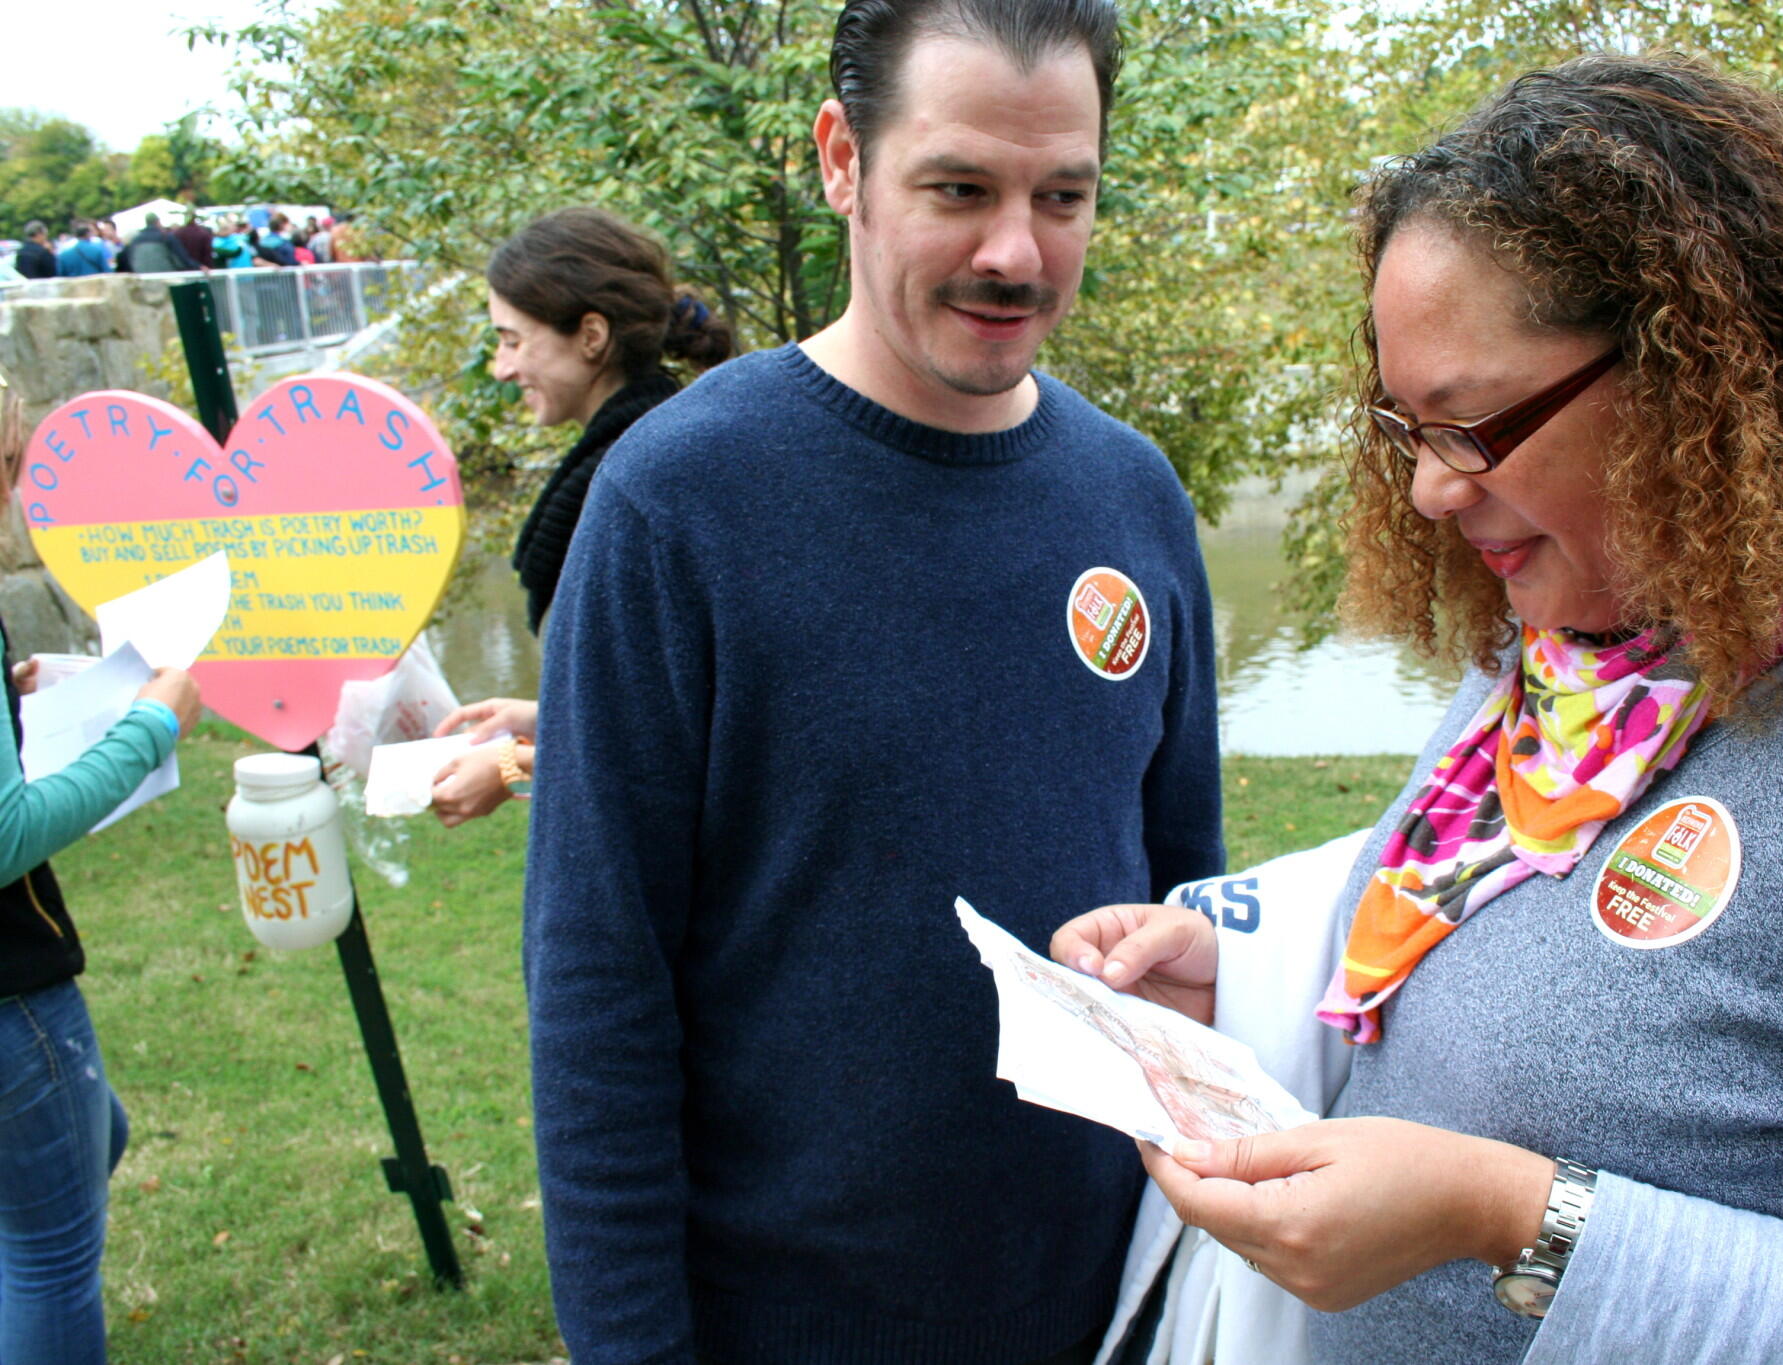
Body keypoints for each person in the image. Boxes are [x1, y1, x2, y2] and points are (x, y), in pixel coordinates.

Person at [1058, 51, 1783, 1365]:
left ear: (1701, 381)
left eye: (1471, 425)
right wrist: (1245, 968)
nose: (1427, 492)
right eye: (1403, 428)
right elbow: (1497, 908)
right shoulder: (1571, 648)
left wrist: (1512, 1217)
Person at [522, 0, 1225, 1359]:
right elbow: (599, 990)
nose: (1016, 251)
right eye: (958, 188)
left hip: (1111, 1303)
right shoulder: (674, 502)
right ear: (843, 159)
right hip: (786, 1320)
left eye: (1062, 195)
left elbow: (1189, 898)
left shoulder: (1135, 497)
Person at [0, 388, 205, 1363]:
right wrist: (151, 728)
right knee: (50, 1252)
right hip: (10, 994)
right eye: (11, 474)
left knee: (95, 1139)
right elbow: (5, 835)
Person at [426, 207, 734, 827]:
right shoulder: (663, 446)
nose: (502, 368)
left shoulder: (637, 480)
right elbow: (647, 688)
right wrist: (548, 714)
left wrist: (512, 765)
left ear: (592, 336)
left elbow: (669, 731)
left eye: (513, 339)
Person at [115, 212, 202, 274]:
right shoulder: (166, 237)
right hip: (168, 282)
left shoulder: (135, 241)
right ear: (158, 222)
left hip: (145, 284)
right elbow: (183, 259)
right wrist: (199, 267)